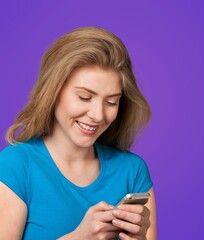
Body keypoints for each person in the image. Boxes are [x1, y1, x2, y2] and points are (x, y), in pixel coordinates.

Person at [0, 27, 156, 240]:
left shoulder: (133, 171)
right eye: (84, 97)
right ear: (53, 91)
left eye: (111, 102)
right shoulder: (14, 166)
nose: (98, 115)